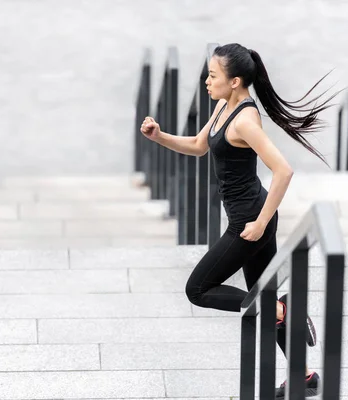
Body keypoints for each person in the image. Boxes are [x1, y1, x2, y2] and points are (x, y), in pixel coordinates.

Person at [140, 43, 336, 398]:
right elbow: (200, 146)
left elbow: (283, 170)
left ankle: (281, 309)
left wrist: (260, 223)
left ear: (235, 81)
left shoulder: (244, 120)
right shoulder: (223, 106)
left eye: (213, 75)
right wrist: (160, 137)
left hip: (249, 221)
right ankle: (304, 376)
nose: (207, 81)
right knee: (266, 295)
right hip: (251, 214)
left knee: (198, 290)